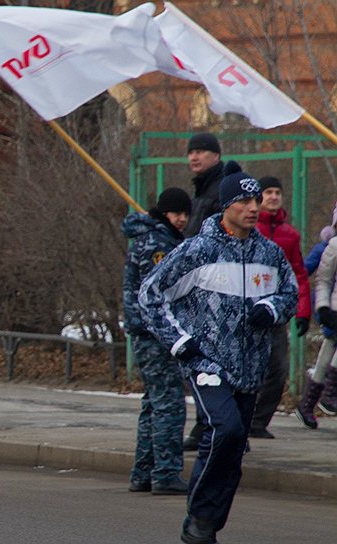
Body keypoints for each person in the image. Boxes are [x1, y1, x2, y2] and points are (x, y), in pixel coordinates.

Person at [139, 162, 297, 544]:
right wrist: (181, 343)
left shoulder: (270, 254)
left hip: (250, 366)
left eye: (255, 199)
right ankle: (199, 518)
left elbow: (290, 293)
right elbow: (150, 295)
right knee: (224, 430)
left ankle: (206, 523)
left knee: (234, 445)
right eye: (243, 200)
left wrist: (272, 308)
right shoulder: (197, 250)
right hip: (207, 364)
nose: (252, 207)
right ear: (225, 205)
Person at [121, 188, 192, 496]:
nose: (182, 219)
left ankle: (143, 472)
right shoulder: (158, 245)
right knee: (169, 404)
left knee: (153, 403)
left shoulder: (152, 237)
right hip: (157, 335)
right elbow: (159, 293)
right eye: (177, 213)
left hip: (147, 334)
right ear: (164, 213)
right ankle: (165, 473)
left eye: (186, 214)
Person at [248, 176, 311, 438]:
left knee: (278, 369)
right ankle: (241, 418)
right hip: (250, 313)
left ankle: (258, 422)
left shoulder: (290, 235)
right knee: (250, 369)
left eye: (277, 192)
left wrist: (303, 310)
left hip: (276, 313)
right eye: (268, 192)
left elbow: (298, 274)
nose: (273, 197)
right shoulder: (249, 230)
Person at [182, 133, 225, 451]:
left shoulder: (220, 188)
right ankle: (213, 423)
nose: (194, 157)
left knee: (213, 362)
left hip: (218, 288)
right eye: (191, 152)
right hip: (200, 286)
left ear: (215, 155)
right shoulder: (201, 189)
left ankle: (212, 424)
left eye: (201, 152)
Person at [302, 203, 337, 426]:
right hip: (333, 311)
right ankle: (328, 394)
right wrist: (322, 308)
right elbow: (322, 280)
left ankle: (307, 403)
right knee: (329, 350)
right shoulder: (332, 246)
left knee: (327, 352)